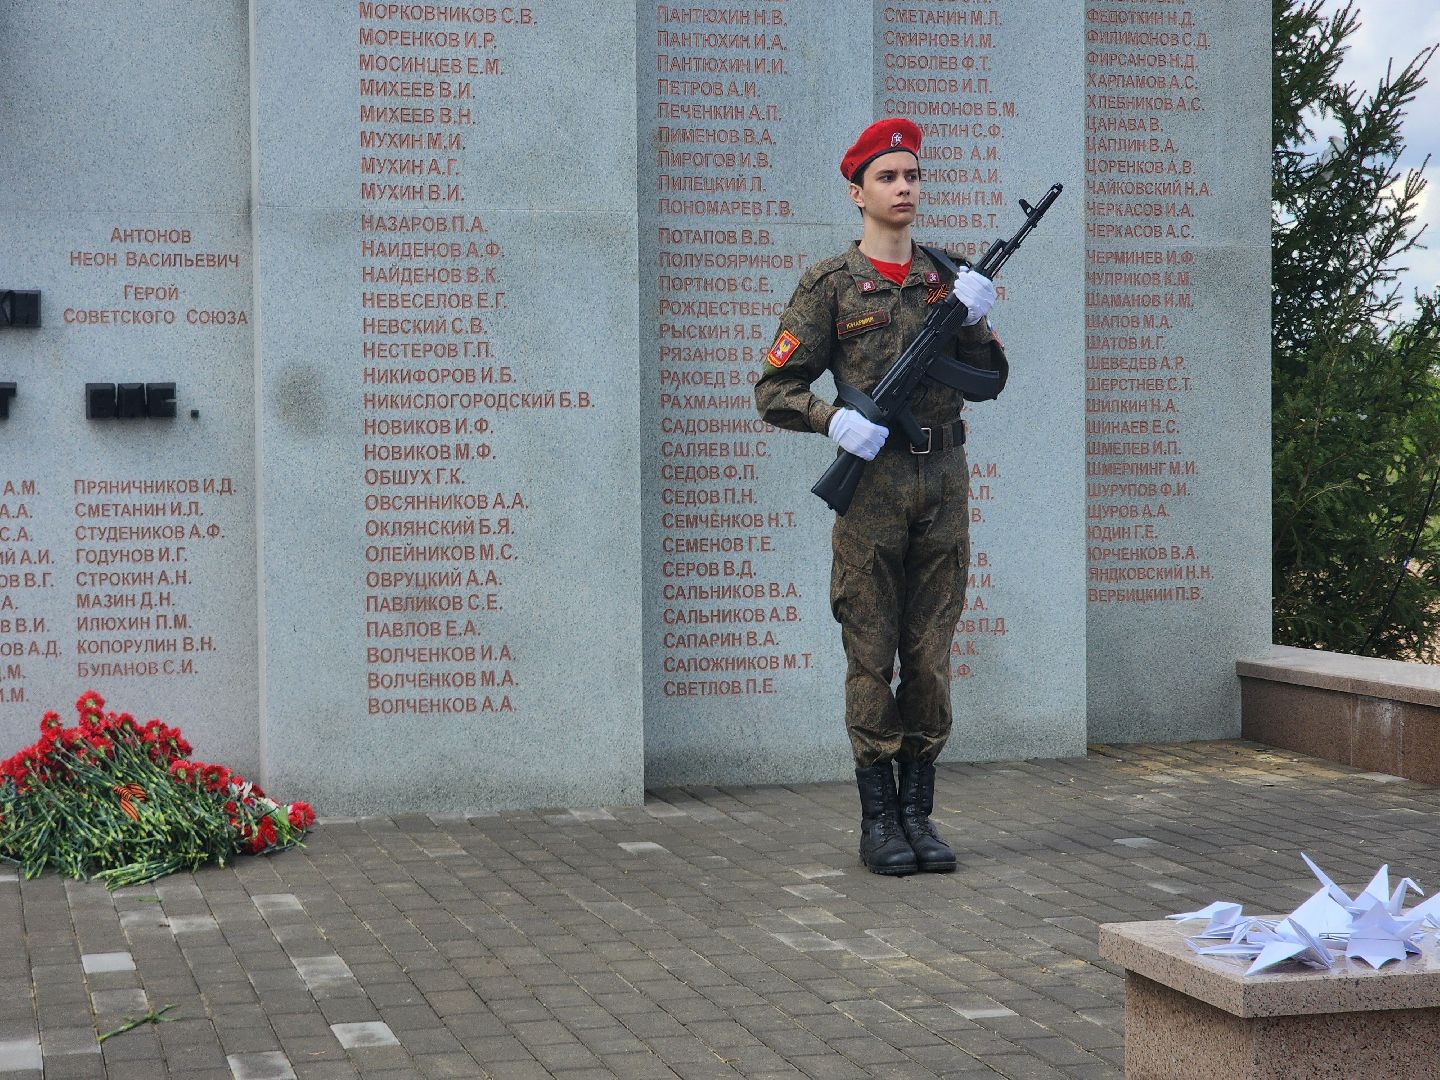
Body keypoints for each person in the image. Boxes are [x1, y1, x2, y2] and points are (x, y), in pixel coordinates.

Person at [754, 118, 1006, 876]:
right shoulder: (830, 285)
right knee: (871, 655)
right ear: (857, 191)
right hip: (871, 491)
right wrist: (834, 422)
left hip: (943, 485)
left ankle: (919, 816)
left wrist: (978, 318)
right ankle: (878, 821)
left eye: (912, 175)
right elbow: (774, 389)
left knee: (929, 657)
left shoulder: (949, 278)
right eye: (888, 177)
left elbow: (990, 382)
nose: (905, 188)